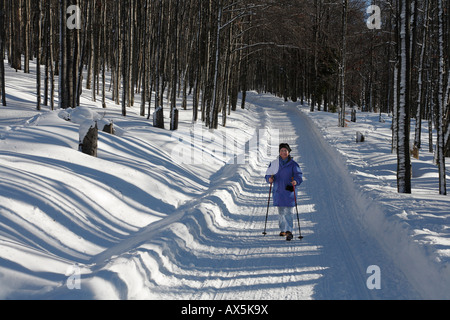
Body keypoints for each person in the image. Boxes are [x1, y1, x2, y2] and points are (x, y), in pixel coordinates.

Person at [265, 143, 303, 241]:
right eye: (282, 150)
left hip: (289, 191)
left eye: (285, 151)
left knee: (289, 212)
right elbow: (268, 174)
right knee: (281, 212)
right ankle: (282, 229)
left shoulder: (294, 164)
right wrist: (269, 179)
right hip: (278, 191)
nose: (283, 152)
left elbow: (299, 175)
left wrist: (296, 181)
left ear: (288, 152)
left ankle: (289, 231)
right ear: (279, 152)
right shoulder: (274, 163)